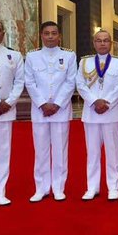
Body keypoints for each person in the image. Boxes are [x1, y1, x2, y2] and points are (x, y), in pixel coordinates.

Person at [25, 21, 77, 202]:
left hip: (60, 110)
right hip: (40, 111)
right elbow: (29, 82)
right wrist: (42, 104)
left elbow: (70, 82)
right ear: (41, 35)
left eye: (54, 33)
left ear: (59, 35)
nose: (50, 36)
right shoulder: (32, 56)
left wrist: (57, 104)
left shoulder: (69, 56)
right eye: (46, 33)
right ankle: (41, 188)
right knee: (41, 151)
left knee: (60, 151)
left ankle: (58, 187)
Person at [76, 30, 118, 201]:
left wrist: (107, 103)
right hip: (91, 113)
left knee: (113, 153)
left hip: (111, 113)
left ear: (111, 43)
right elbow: (80, 84)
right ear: (94, 43)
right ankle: (92, 187)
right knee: (92, 153)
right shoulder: (85, 62)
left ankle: (113, 187)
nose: (102, 43)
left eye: (106, 40)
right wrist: (94, 101)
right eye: (99, 40)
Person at [0, 19, 24, 207]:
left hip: (6, 111)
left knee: (3, 152)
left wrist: (7, 103)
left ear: (3, 33)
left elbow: (20, 82)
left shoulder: (14, 56)